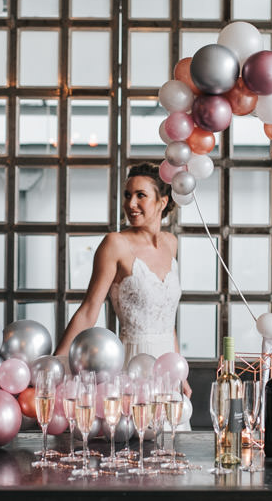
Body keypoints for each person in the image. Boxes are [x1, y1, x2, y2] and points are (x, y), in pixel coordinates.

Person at [54, 163, 191, 399]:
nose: (130, 204)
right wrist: (56, 364)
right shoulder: (115, 244)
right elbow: (89, 310)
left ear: (163, 202)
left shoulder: (171, 243)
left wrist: (181, 372)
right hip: (131, 364)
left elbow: (167, 318)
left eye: (141, 195)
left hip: (169, 371)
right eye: (128, 195)